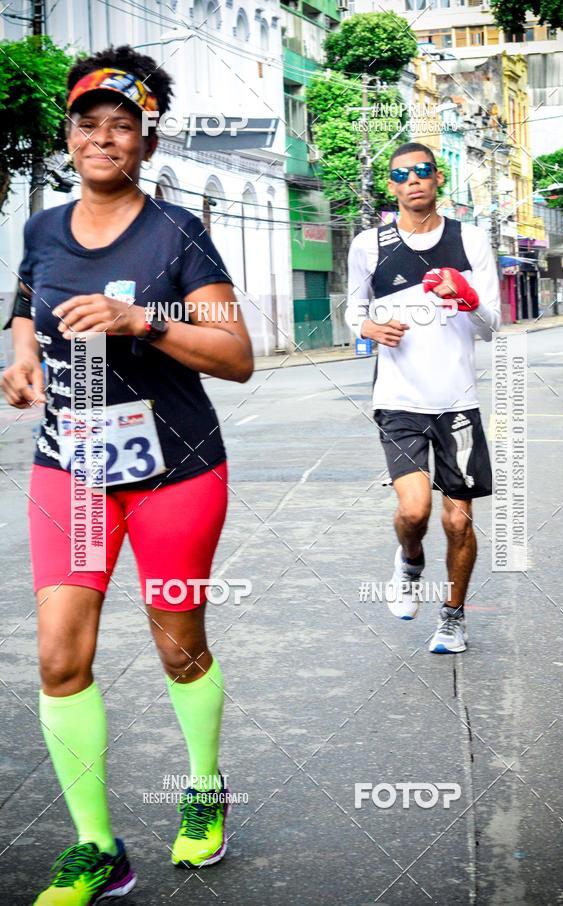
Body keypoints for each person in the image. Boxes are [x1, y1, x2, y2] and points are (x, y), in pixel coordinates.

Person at [1, 46, 253, 905]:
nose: (104, 138)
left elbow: (236, 354)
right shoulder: (40, 229)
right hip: (71, 467)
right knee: (58, 656)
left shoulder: (177, 230)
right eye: (88, 123)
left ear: (147, 143)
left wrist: (141, 320)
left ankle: (205, 788)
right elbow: (28, 301)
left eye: (124, 127)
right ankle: (97, 846)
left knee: (178, 646)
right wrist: (22, 358)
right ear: (67, 136)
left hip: (175, 469)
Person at [345, 142, 500, 654]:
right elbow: (353, 311)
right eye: (401, 174)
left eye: (423, 171)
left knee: (458, 519)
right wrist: (368, 326)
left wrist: (468, 298)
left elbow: (490, 328)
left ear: (438, 180)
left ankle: (452, 618)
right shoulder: (370, 244)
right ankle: (409, 560)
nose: (413, 180)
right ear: (390, 185)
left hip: (458, 401)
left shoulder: (470, 239)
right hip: (399, 399)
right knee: (414, 512)